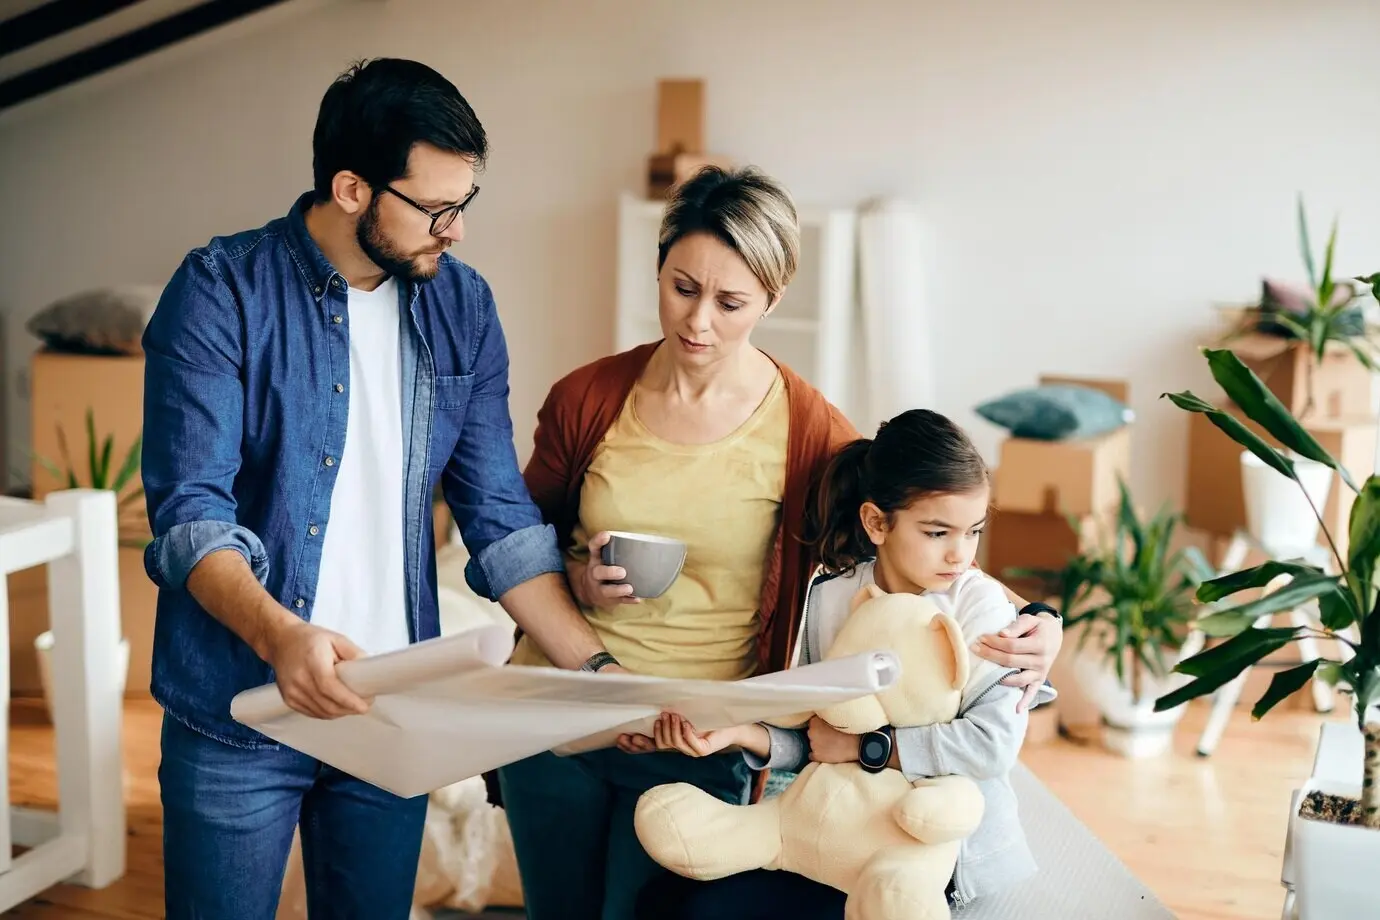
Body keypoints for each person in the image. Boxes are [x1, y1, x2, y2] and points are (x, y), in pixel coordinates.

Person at [494, 165, 1064, 920]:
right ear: (659, 268)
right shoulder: (588, 398)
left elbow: (916, 540)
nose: (698, 322)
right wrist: (576, 569)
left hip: (696, 736)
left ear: (772, 296)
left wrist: (1037, 624)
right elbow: (518, 538)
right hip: (561, 713)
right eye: (681, 287)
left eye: (731, 302)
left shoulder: (810, 432)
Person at [141, 58, 621, 920]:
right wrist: (284, 637)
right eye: (436, 209)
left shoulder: (462, 307)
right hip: (240, 704)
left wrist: (599, 673)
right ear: (352, 187)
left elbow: (498, 515)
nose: (457, 231)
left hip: (396, 705)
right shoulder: (220, 291)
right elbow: (190, 519)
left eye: (465, 205)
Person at [631, 408, 1056, 919]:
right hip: (835, 835)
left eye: (973, 532)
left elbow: (990, 747)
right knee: (665, 901)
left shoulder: (981, 608)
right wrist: (741, 733)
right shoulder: (831, 598)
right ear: (876, 522)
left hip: (928, 857)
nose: (960, 555)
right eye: (938, 533)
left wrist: (867, 748)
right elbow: (815, 740)